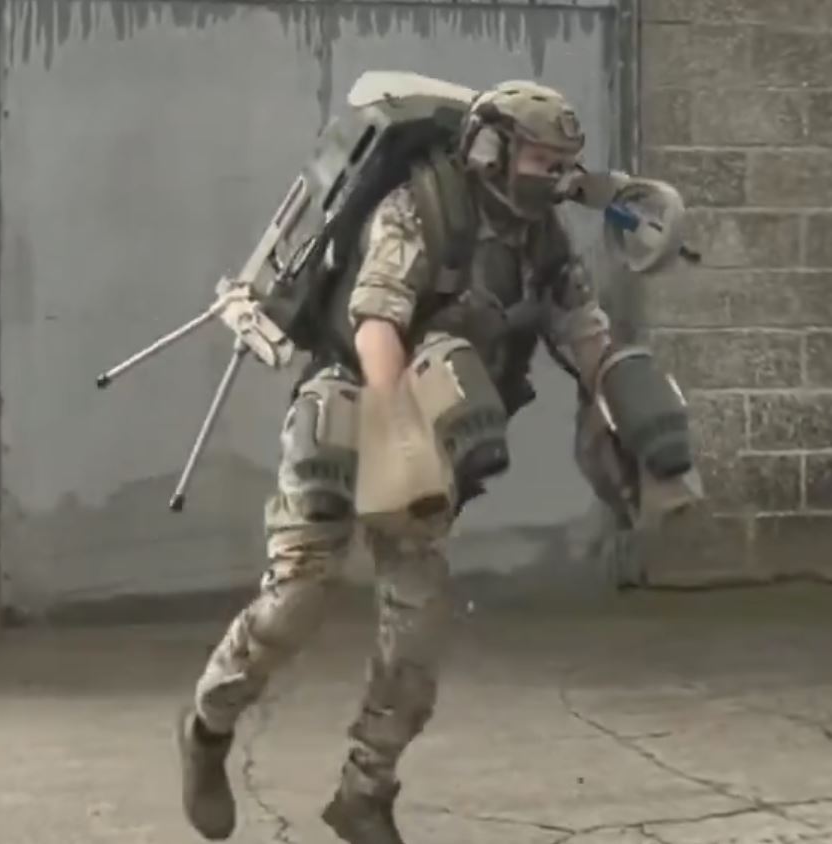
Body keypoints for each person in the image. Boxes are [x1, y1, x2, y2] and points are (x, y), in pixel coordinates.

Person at [175, 78, 675, 844]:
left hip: (435, 417)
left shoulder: (544, 239)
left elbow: (582, 328)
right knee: (296, 598)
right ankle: (207, 727)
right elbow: (375, 322)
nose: (556, 178)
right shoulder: (421, 207)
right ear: (492, 151)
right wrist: (397, 427)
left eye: (564, 164)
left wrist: (626, 402)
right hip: (354, 402)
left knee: (417, 628)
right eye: (542, 160)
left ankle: (364, 792)